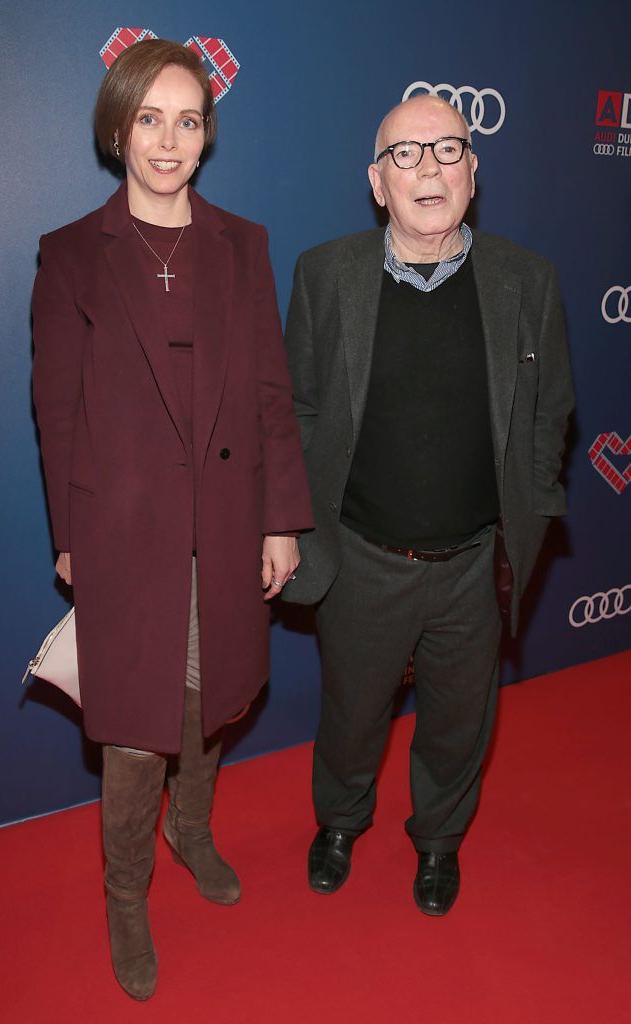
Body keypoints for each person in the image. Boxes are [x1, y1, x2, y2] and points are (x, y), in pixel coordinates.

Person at [32, 39, 312, 1000]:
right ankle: (125, 891)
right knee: (133, 728)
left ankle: (191, 831)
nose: (167, 138)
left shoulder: (244, 245)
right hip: (125, 530)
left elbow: (272, 392)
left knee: (212, 694)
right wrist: (71, 534)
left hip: (229, 521)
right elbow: (56, 408)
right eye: (148, 117)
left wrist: (282, 520)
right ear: (117, 128)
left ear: (207, 135)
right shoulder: (71, 253)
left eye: (187, 119)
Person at [283, 95, 573, 916]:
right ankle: (339, 822)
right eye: (404, 156)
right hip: (362, 559)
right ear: (377, 184)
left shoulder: (527, 280)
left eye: (448, 150)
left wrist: (532, 518)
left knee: (457, 723)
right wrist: (297, 528)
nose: (428, 170)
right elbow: (298, 410)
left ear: (473, 173)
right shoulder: (323, 274)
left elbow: (551, 410)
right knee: (350, 715)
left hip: (477, 563)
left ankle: (438, 842)